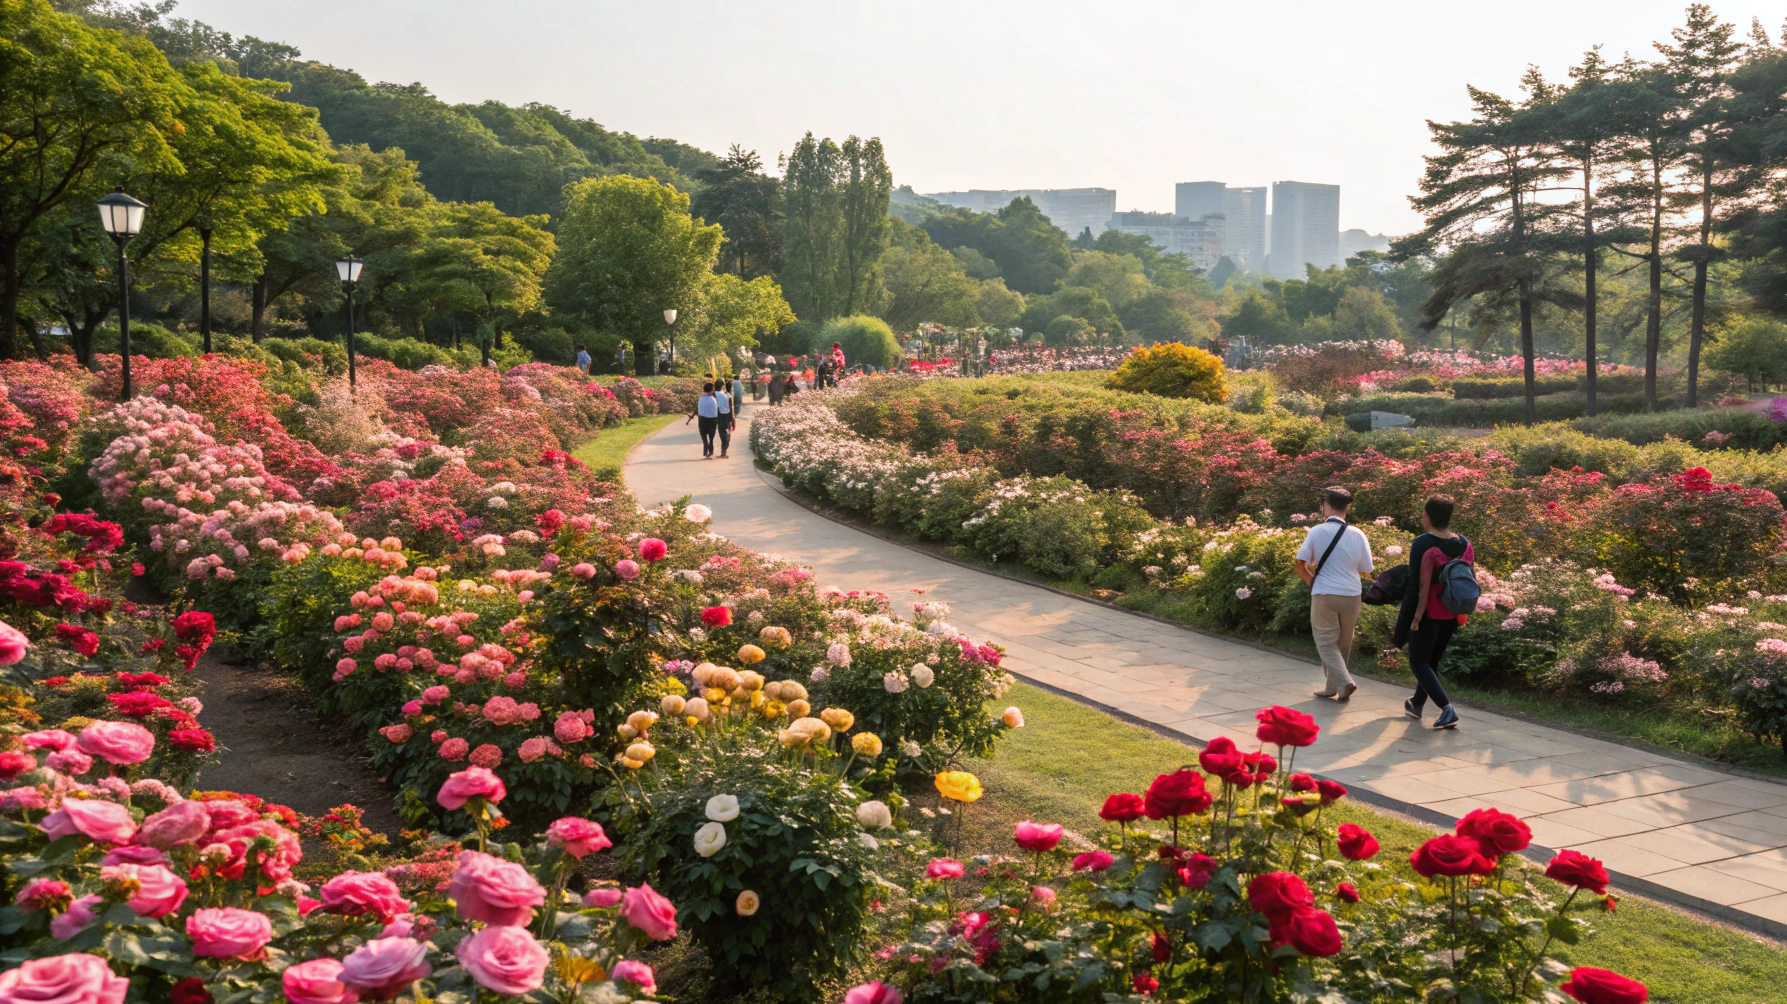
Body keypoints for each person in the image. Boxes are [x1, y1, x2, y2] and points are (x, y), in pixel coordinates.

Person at [1394, 494, 1471, 730]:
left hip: (1427, 613)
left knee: (1418, 662)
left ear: (1427, 516)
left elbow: (1416, 587)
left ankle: (1447, 709)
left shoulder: (1423, 543)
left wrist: (1407, 622)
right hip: (1453, 611)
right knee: (1431, 662)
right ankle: (1417, 703)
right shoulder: (1465, 543)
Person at [1294, 487, 1373, 701]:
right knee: (1343, 642)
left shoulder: (1317, 531)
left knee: (1325, 642)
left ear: (1325, 506)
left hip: (1325, 593)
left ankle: (1345, 682)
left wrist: (1312, 580)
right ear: (1348, 507)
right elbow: (1367, 567)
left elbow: (1299, 564)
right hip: (1351, 595)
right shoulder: (1358, 534)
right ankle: (1333, 688)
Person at [686, 381, 719, 458]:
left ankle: (706, 447)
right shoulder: (713, 399)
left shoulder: (701, 399)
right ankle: (710, 450)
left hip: (702, 420)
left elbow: (699, 410)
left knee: (703, 435)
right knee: (711, 436)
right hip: (712, 419)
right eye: (713, 389)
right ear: (711, 390)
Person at [714, 378, 734, 458]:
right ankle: (724, 451)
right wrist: (732, 418)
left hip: (719, 415)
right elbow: (731, 407)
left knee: (722, 433)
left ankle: (723, 451)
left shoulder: (713, 394)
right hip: (727, 416)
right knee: (726, 433)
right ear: (723, 386)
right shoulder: (727, 395)